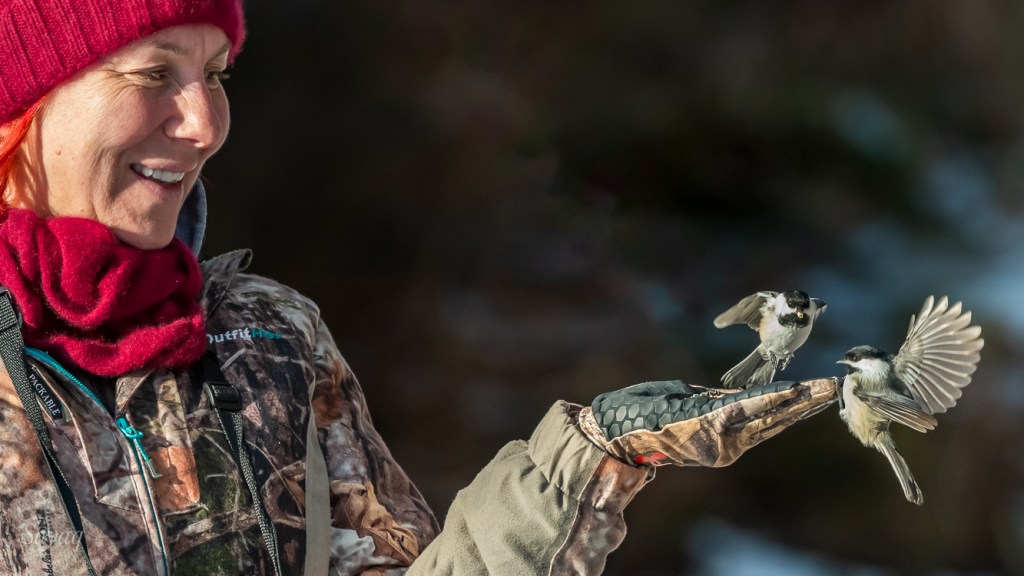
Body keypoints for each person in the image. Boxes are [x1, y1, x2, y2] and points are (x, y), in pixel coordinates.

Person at [0, 0, 838, 574]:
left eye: (217, 74)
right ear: (27, 100)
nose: (207, 124)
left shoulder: (267, 342)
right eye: (154, 75)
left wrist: (582, 464)